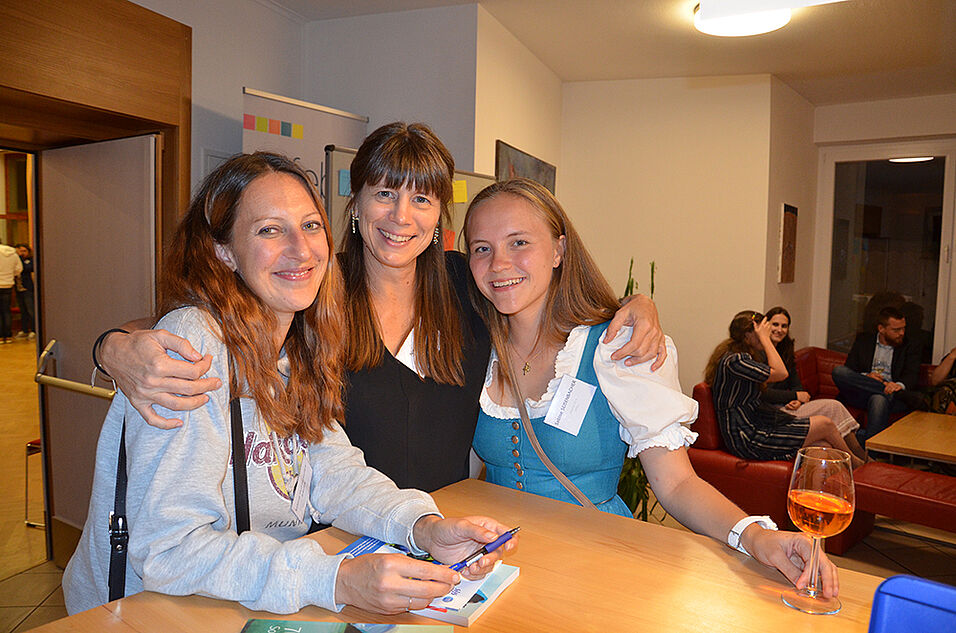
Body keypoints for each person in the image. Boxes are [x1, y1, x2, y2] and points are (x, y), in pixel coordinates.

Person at [95, 122, 665, 493]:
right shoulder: (310, 287)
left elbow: (552, 303)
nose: (400, 216)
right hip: (338, 533)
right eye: (384, 194)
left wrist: (636, 307)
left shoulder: (468, 284)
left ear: (440, 214)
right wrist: (113, 347)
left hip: (444, 533)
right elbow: (206, 316)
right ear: (355, 203)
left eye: (421, 198)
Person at [64, 152, 515, 616]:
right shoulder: (198, 345)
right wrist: (336, 578)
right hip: (150, 612)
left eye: (310, 226)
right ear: (223, 250)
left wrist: (420, 526)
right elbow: (168, 549)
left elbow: (334, 472)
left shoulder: (298, 344)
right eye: (269, 229)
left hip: (239, 602)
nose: (300, 250)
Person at [462, 178, 839, 597]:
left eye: (518, 243)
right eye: (482, 248)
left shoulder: (618, 346)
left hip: (592, 564)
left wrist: (753, 537)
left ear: (558, 250)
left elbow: (676, 483)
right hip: (496, 570)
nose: (498, 263)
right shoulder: (471, 347)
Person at [705, 311, 865, 469]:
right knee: (825, 424)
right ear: (748, 335)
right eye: (763, 332)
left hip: (759, 425)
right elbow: (781, 373)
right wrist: (766, 341)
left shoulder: (744, 356)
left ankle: (836, 480)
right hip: (747, 436)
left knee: (823, 446)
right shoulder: (735, 360)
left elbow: (789, 378)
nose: (767, 335)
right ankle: (857, 465)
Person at [762, 306, 866, 461]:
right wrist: (794, 395)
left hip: (788, 407)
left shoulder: (785, 351)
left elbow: (797, 384)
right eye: (775, 324)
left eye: (784, 326)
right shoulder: (759, 353)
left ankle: (858, 452)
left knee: (834, 406)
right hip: (773, 414)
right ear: (766, 326)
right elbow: (763, 393)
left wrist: (796, 400)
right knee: (830, 411)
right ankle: (856, 459)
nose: (779, 330)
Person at [831, 306, 922, 444]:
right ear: (881, 329)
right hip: (862, 391)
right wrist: (866, 376)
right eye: (896, 330)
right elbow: (850, 368)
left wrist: (897, 386)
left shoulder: (910, 345)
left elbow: (912, 375)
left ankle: (870, 456)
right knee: (838, 371)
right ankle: (885, 390)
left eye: (903, 328)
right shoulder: (864, 340)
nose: (901, 333)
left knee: (879, 399)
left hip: (892, 396)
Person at [0, 239, 23, 344]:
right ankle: (8, 335)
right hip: (8, 284)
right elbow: (19, 268)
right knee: (6, 310)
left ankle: (0, 336)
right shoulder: (13, 254)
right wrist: (10, 275)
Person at [14, 243, 35, 339]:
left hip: (28, 288)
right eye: (20, 251)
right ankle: (24, 329)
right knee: (23, 310)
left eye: (24, 251)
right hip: (19, 288)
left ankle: (34, 330)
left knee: (31, 310)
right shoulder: (16, 261)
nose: (22, 253)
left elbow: (27, 268)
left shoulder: (30, 261)